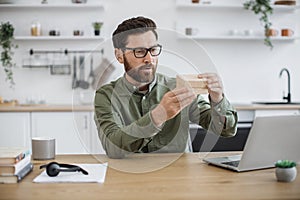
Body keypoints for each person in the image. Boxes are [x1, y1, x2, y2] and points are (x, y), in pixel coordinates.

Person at [94, 16, 238, 159]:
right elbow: (113, 148)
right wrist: (158, 116)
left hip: (180, 175)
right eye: (139, 51)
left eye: (153, 50)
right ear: (120, 55)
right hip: (132, 176)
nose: (149, 59)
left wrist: (217, 99)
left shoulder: (178, 87)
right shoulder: (106, 95)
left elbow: (226, 130)